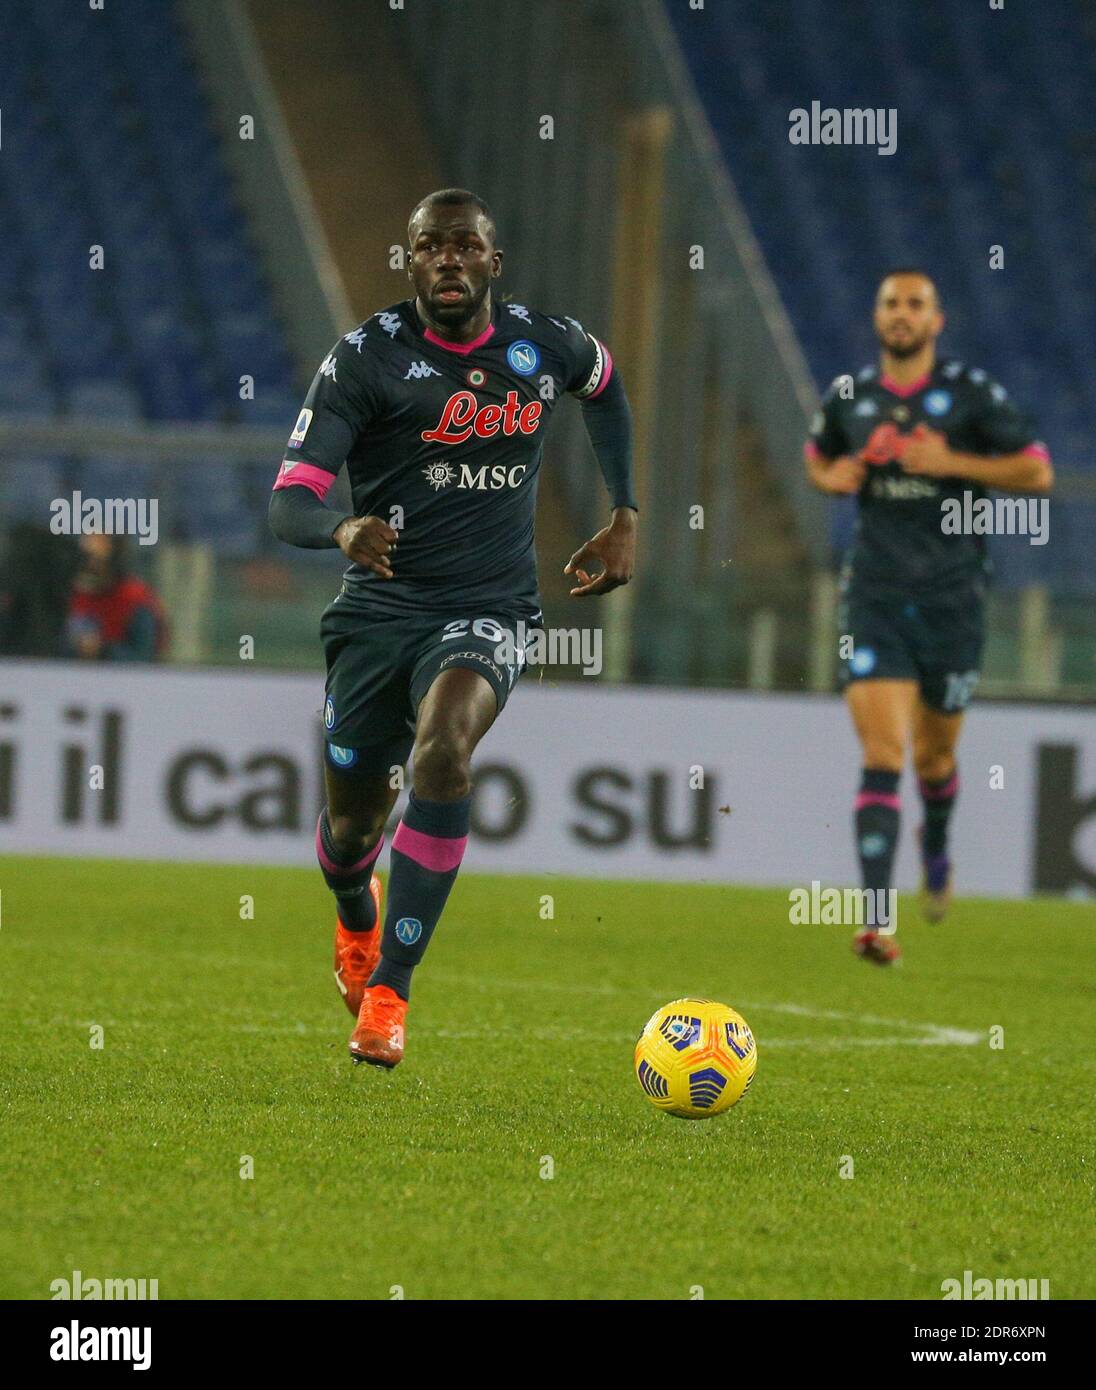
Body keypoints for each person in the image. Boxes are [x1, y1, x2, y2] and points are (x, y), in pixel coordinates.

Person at [269, 188, 638, 1064]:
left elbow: (606, 385)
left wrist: (625, 514)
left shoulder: (545, 344)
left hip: (490, 609)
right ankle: (355, 908)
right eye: (428, 246)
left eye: (464, 246)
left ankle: (390, 995)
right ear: (409, 261)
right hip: (378, 612)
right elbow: (289, 503)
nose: (446, 260)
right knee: (351, 834)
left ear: (491, 262)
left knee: (443, 746)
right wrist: (342, 529)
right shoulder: (364, 361)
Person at [805, 269, 1052, 964]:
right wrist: (839, 476)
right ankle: (877, 920)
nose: (902, 314)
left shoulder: (972, 394)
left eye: (916, 304)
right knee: (885, 753)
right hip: (875, 597)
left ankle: (936, 841)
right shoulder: (850, 395)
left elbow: (1036, 471)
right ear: (877, 316)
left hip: (953, 601)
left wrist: (952, 460)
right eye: (890, 303)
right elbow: (817, 458)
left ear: (936, 320)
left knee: (936, 757)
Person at [65, 534, 166, 662]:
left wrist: (102, 650)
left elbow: (143, 658)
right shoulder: (78, 596)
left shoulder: (135, 599)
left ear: (114, 558)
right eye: (83, 557)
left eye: (94, 559)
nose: (87, 566)